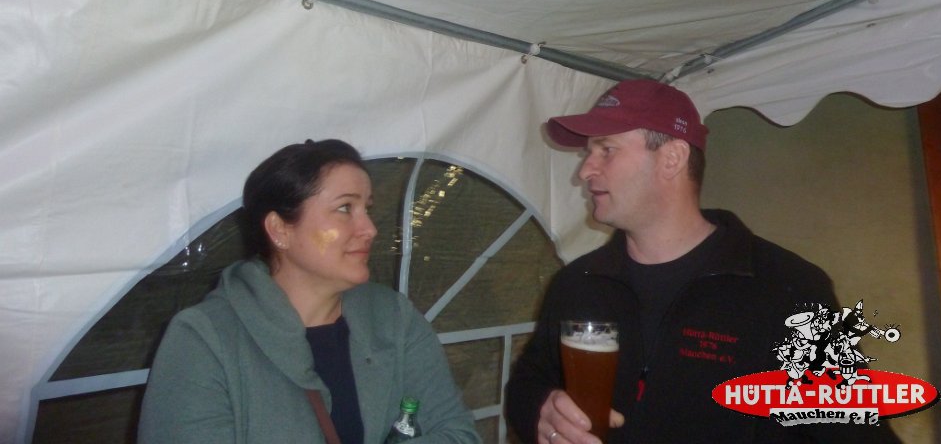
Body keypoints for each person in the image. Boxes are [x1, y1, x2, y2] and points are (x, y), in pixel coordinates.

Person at [505, 80, 900, 444]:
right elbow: (529, 381)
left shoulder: (787, 288)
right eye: (588, 152)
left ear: (672, 158)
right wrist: (540, 412)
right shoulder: (577, 282)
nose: (585, 170)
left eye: (606, 150)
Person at [139, 139, 481, 444]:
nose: (370, 229)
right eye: (345, 208)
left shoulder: (393, 317)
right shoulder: (204, 339)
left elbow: (458, 433)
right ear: (280, 230)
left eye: (367, 209)